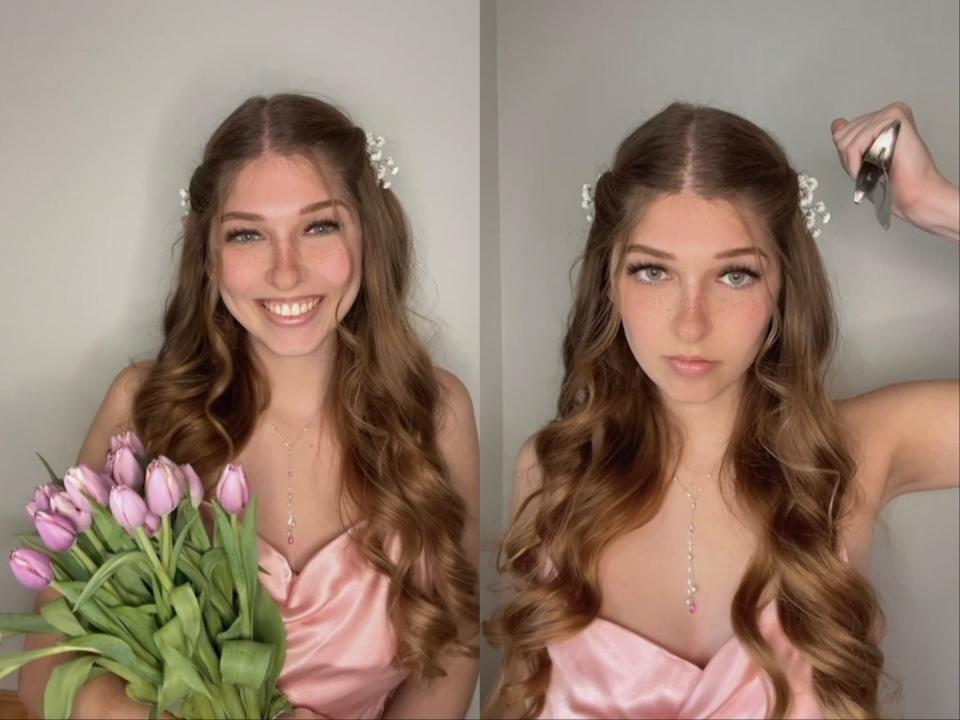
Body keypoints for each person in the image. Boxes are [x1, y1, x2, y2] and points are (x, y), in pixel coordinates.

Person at [484, 101, 958, 719]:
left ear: (784, 285)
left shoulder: (861, 448)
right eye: (653, 271)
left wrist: (938, 205)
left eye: (734, 276)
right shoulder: (555, 470)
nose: (691, 323)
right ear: (609, 280)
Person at [17, 93, 480, 719]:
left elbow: (452, 649)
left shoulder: (437, 411)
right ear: (206, 252)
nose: (286, 273)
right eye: (247, 234)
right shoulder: (143, 407)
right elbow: (44, 662)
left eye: (319, 226)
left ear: (369, 230)